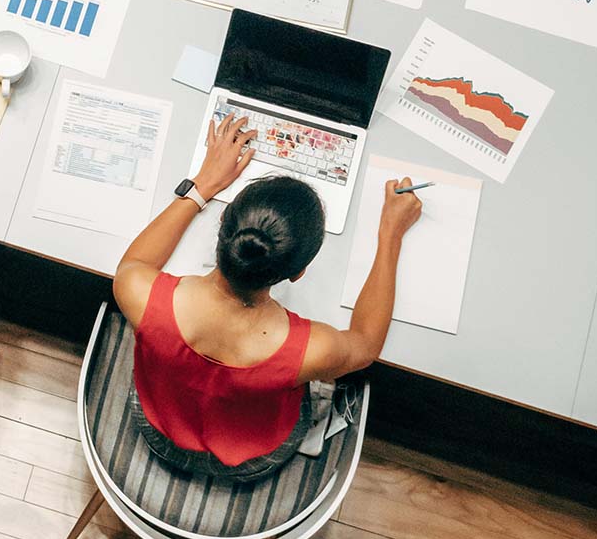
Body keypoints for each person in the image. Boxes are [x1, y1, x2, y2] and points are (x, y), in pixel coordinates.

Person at [113, 116, 422, 480]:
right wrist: (391, 235)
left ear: (223, 228)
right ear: (299, 271)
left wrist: (203, 185)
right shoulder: (311, 350)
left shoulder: (139, 292)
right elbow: (367, 343)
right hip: (253, 457)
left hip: (157, 428)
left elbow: (135, 261)